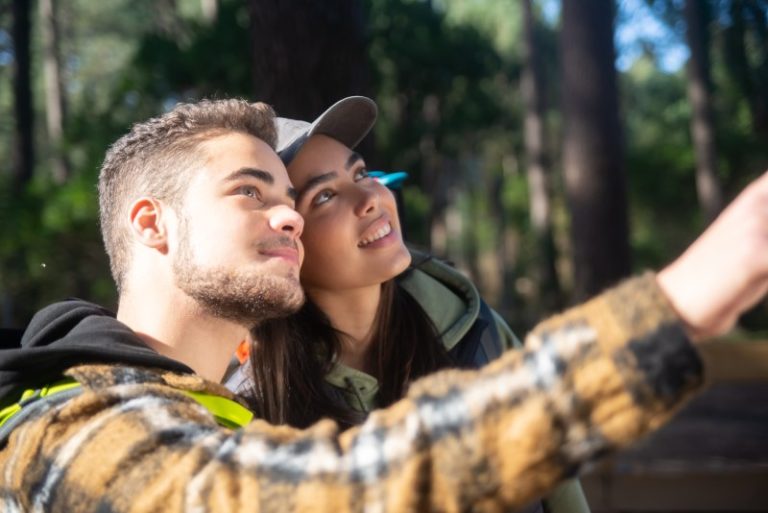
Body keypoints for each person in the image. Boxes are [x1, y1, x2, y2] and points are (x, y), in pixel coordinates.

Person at [0, 98, 766, 512]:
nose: (292, 216)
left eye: (292, 197)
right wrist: (677, 306)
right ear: (151, 223)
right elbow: (331, 493)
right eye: (252, 193)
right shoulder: (65, 428)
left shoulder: (198, 406)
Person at [234, 97, 588, 513]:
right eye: (325, 196)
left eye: (361, 173)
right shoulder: (252, 407)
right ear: (289, 239)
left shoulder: (475, 330)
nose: (369, 197)